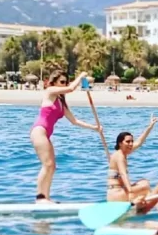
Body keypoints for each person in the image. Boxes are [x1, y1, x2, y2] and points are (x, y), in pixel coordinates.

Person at [29, 70, 103, 204]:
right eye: (62, 82)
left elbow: (75, 121)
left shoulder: (61, 103)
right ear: (54, 83)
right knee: (47, 164)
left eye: (65, 82)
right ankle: (40, 199)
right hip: (39, 131)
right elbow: (70, 89)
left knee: (52, 166)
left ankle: (46, 197)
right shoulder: (50, 92)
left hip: (46, 134)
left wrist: (95, 128)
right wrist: (80, 76)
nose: (64, 85)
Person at [106, 114, 158, 202]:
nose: (130, 144)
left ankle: (139, 202)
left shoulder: (122, 152)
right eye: (127, 142)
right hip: (117, 194)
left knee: (144, 182)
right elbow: (123, 174)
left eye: (131, 141)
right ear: (120, 143)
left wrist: (150, 126)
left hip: (116, 193)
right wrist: (130, 190)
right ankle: (140, 205)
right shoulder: (120, 156)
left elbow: (139, 142)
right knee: (145, 186)